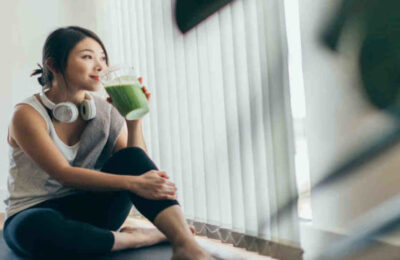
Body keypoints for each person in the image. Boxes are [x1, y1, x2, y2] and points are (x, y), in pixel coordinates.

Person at [3, 26, 213, 260]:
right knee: (35, 229)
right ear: (53, 65)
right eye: (87, 57)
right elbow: (63, 173)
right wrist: (134, 183)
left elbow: (135, 162)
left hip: (93, 209)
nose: (100, 65)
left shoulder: (104, 111)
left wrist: (133, 121)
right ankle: (143, 237)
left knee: (130, 157)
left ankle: (184, 243)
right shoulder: (27, 115)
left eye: (102, 57)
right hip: (35, 211)